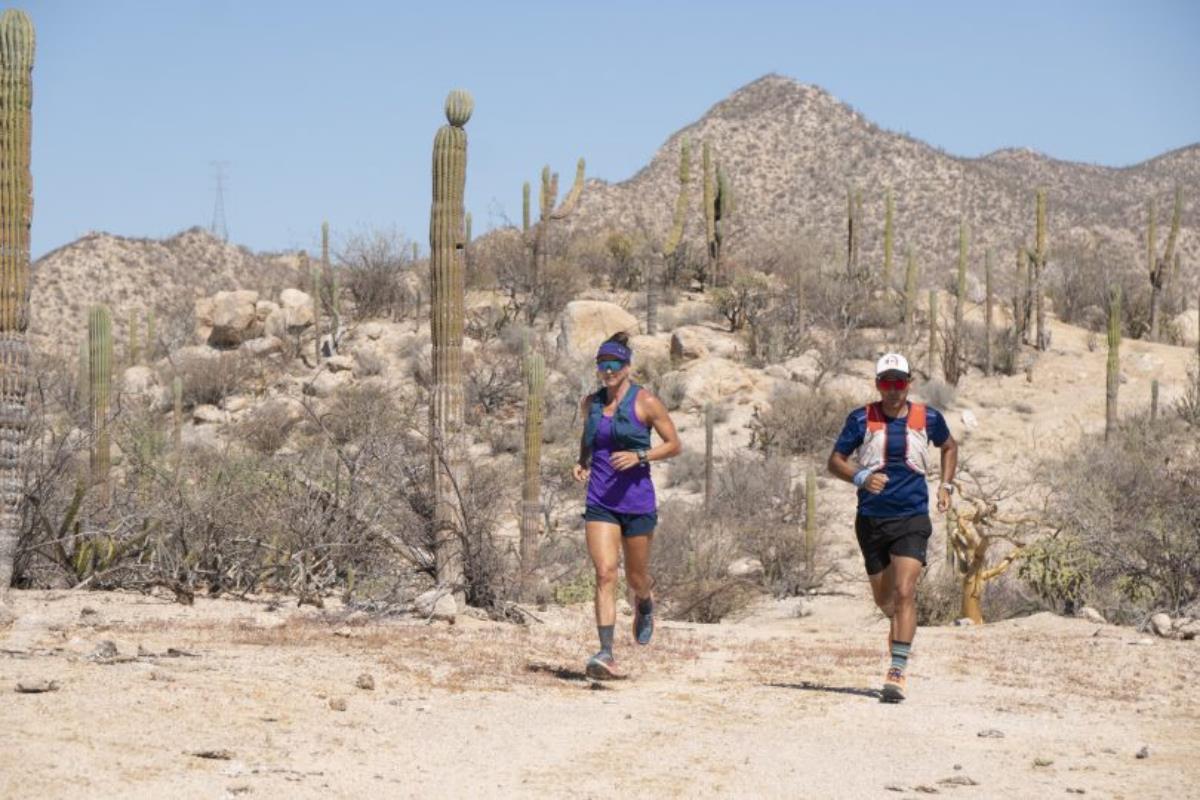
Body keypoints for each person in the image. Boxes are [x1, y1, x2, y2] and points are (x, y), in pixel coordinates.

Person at [827, 353, 958, 702]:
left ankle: (897, 671)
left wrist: (945, 487)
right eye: (887, 383)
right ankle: (898, 627)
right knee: (885, 600)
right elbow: (834, 461)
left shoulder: (927, 418)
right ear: (878, 385)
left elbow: (948, 446)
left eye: (900, 382)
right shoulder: (860, 419)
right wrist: (860, 476)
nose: (894, 390)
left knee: (904, 591)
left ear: (909, 384)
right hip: (871, 520)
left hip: (912, 517)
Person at [573, 332, 682, 679]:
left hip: (636, 502)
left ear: (627, 367)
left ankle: (645, 602)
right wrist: (583, 461)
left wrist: (640, 456)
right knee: (605, 573)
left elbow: (674, 444)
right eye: (602, 365)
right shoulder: (590, 403)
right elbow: (589, 438)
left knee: (636, 577)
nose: (607, 371)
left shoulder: (646, 402)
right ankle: (606, 652)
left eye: (614, 365)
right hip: (600, 500)